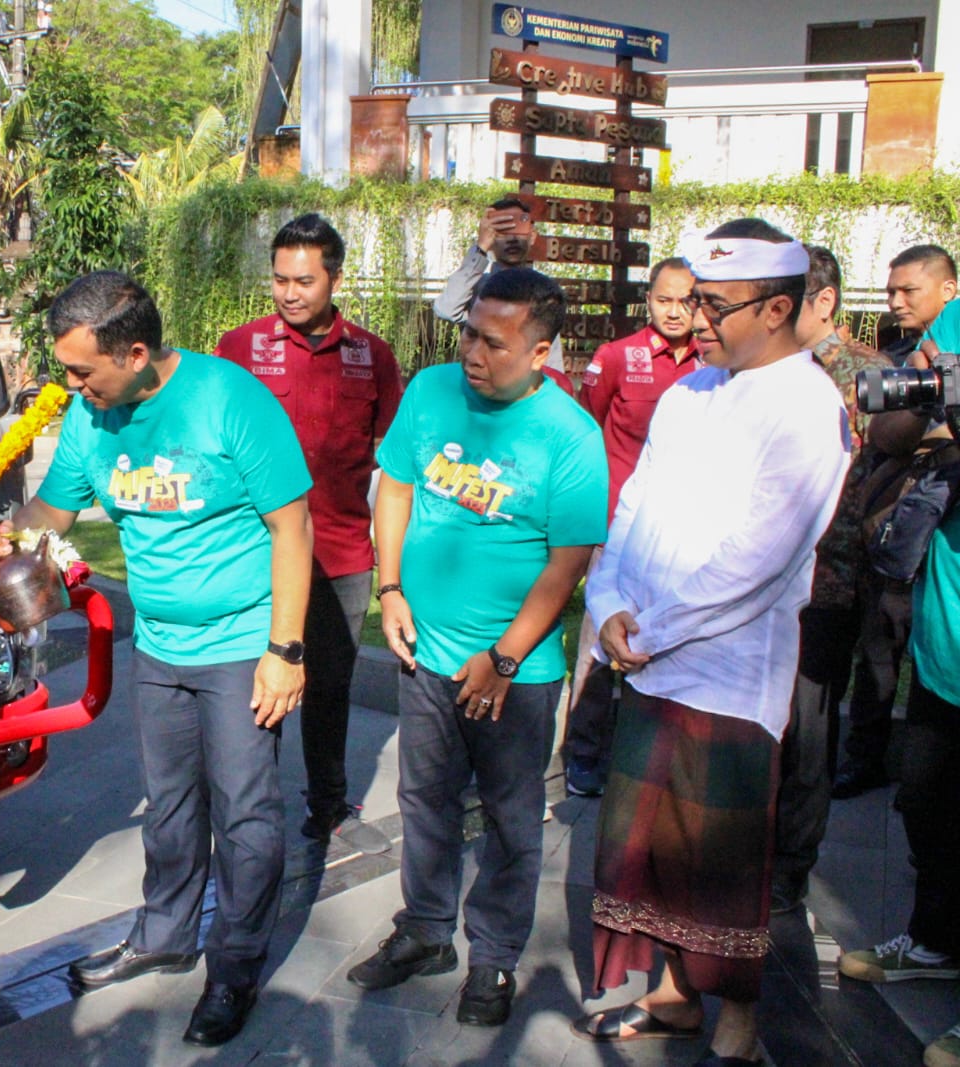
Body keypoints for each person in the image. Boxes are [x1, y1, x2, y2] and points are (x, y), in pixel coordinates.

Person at [0, 271, 313, 1048]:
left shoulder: (230, 400)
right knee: (170, 803)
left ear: (135, 353)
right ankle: (165, 933)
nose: (72, 386)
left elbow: (293, 527)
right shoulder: (93, 418)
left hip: (241, 645)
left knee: (246, 814)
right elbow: (52, 511)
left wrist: (285, 651)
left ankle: (235, 967)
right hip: (158, 643)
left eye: (83, 371)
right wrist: (9, 536)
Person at [573, 219, 849, 1066]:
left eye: (715, 305)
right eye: (695, 300)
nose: (696, 320)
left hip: (726, 676)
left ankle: (739, 1020)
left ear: (776, 309)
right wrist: (608, 603)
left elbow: (760, 559)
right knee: (651, 849)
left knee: (720, 859)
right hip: (648, 658)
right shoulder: (689, 392)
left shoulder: (808, 407)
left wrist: (651, 629)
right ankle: (674, 995)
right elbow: (634, 507)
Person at [350, 268, 605, 1027]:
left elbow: (568, 563)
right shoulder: (432, 391)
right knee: (423, 799)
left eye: (494, 343)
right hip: (425, 651)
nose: (473, 353)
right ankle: (426, 930)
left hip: (516, 673)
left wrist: (503, 658)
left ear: (540, 352)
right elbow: (397, 486)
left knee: (510, 816)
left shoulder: (570, 435)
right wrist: (390, 589)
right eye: (469, 333)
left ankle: (493, 956)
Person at [215, 213, 403, 856]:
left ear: (335, 280)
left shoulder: (371, 356)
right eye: (279, 280)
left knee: (329, 690)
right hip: (256, 555)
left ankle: (328, 804)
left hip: (342, 555)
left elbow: (393, 462)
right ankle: (250, 813)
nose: (290, 294)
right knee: (254, 687)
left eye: (304, 281)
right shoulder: (239, 348)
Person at [839, 296, 960, 1067]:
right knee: (926, 800)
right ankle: (936, 941)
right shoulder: (955, 321)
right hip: (946, 644)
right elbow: (885, 428)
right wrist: (932, 402)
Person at [770, 244, 890, 914]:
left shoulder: (869, 377)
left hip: (828, 584)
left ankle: (789, 864)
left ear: (824, 302)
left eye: (788, 302)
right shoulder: (765, 371)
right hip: (764, 581)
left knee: (808, 731)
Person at [562, 256, 702, 798]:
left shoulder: (715, 363)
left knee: (669, 641)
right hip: (616, 529)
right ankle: (582, 753)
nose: (675, 311)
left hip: (682, 533)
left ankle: (654, 757)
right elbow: (586, 433)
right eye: (664, 300)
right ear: (648, 301)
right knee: (599, 645)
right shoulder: (618, 357)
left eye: (687, 300)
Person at [834, 243, 958, 799]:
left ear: (948, 290)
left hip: (941, 542)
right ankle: (870, 760)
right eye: (890, 291)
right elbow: (885, 435)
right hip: (901, 540)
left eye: (909, 290)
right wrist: (930, 399)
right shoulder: (908, 357)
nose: (895, 301)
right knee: (881, 649)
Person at [433, 194, 570, 385]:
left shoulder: (544, 292)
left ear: (532, 236)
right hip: (482, 389)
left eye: (519, 230)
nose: (512, 239)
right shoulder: (477, 288)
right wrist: (480, 248)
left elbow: (552, 363)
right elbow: (446, 309)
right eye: (503, 231)